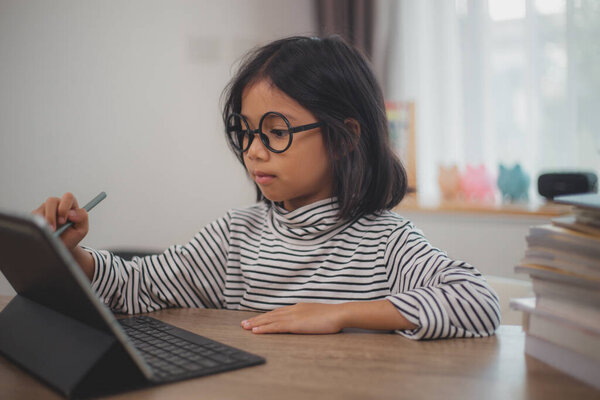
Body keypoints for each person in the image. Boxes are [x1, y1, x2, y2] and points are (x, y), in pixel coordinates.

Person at [33, 36, 500, 340]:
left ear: (345, 137)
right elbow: (139, 285)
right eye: (247, 132)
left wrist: (342, 312)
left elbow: (478, 301)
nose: (254, 151)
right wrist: (74, 255)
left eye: (277, 132)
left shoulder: (386, 241)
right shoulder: (236, 235)